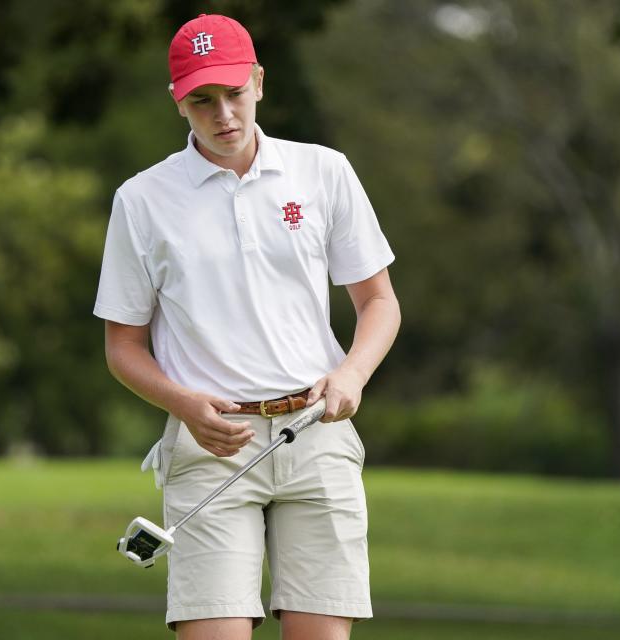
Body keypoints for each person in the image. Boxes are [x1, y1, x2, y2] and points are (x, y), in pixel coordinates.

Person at [94, 13, 401, 639]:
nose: (223, 115)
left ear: (259, 82)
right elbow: (123, 346)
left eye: (234, 94)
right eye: (202, 100)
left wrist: (353, 371)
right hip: (211, 444)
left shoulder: (323, 172)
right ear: (178, 101)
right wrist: (183, 403)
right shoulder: (143, 199)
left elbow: (379, 303)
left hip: (317, 434)